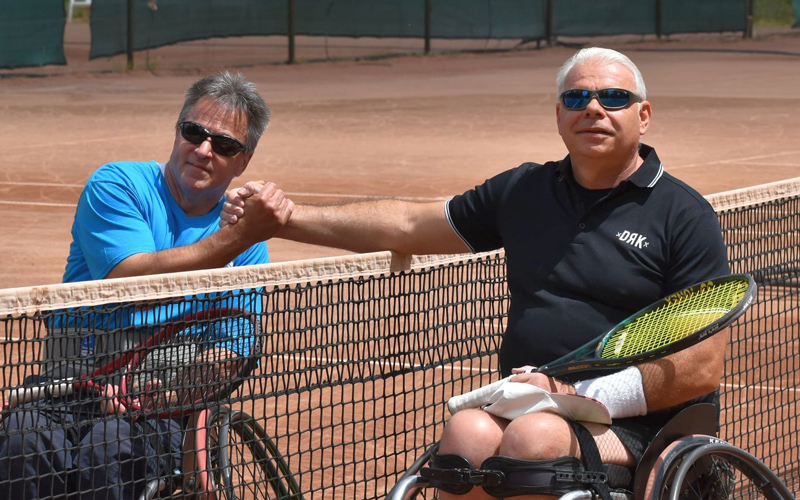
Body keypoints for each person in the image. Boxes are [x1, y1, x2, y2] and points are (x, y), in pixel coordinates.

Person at [223, 48, 730, 499]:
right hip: (530, 401)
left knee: (533, 438)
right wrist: (286, 219)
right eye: (576, 99)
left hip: (642, 423)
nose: (593, 108)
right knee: (466, 433)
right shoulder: (524, 192)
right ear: (559, 116)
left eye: (614, 97)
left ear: (643, 116)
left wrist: (576, 396)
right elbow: (406, 223)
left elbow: (701, 367)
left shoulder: (683, 216)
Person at [0, 71, 292, 500]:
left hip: (161, 407)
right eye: (194, 132)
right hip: (69, 384)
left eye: (225, 144)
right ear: (178, 130)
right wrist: (237, 235)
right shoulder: (118, 185)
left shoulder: (247, 248)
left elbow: (231, 350)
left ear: (243, 161)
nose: (204, 149)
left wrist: (171, 389)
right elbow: (131, 276)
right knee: (23, 440)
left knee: (107, 449)